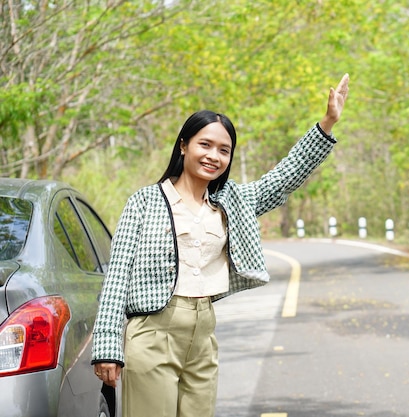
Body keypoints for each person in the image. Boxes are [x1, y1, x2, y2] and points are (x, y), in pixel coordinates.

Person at [91, 73, 350, 417]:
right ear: (183, 145)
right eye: (205, 144)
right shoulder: (145, 201)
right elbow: (117, 277)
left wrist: (327, 124)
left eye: (224, 150)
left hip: (203, 334)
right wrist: (108, 347)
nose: (214, 155)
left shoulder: (233, 200)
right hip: (152, 332)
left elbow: (284, 177)